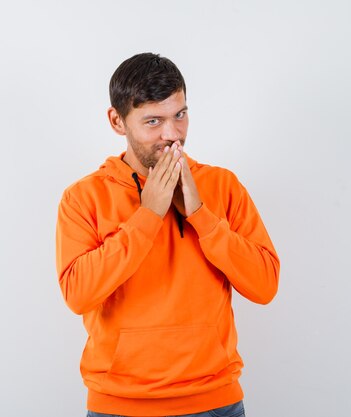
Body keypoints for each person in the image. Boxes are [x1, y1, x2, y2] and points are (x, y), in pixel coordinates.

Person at [55, 52, 280, 417]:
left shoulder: (222, 185)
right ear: (117, 121)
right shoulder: (83, 197)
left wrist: (200, 216)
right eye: (153, 121)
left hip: (216, 402)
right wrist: (148, 216)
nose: (172, 134)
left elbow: (265, 285)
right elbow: (78, 295)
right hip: (119, 406)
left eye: (180, 115)